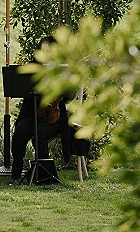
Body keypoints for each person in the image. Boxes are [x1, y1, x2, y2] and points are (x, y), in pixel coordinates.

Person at [9, 37, 90, 184]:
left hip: (56, 117)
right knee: (20, 131)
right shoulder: (33, 68)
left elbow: (71, 94)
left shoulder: (64, 69)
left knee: (38, 133)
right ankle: (16, 171)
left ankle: (44, 174)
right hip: (33, 113)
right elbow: (21, 89)